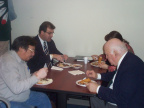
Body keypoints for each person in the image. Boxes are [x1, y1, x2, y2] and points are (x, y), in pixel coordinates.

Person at [86, 38, 144, 108]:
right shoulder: (128, 59)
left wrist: (98, 89)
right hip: (122, 98)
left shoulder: (129, 68)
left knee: (94, 96)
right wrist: (97, 76)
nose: (106, 58)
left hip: (123, 104)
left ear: (115, 53)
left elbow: (121, 98)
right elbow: (115, 75)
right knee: (94, 97)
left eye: (107, 55)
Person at [0, 36, 52, 108]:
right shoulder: (8, 62)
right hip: (8, 100)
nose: (33, 54)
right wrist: (37, 77)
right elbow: (16, 88)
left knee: (43, 98)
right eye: (31, 50)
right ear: (21, 48)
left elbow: (21, 78)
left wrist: (33, 75)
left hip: (22, 95)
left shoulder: (21, 59)